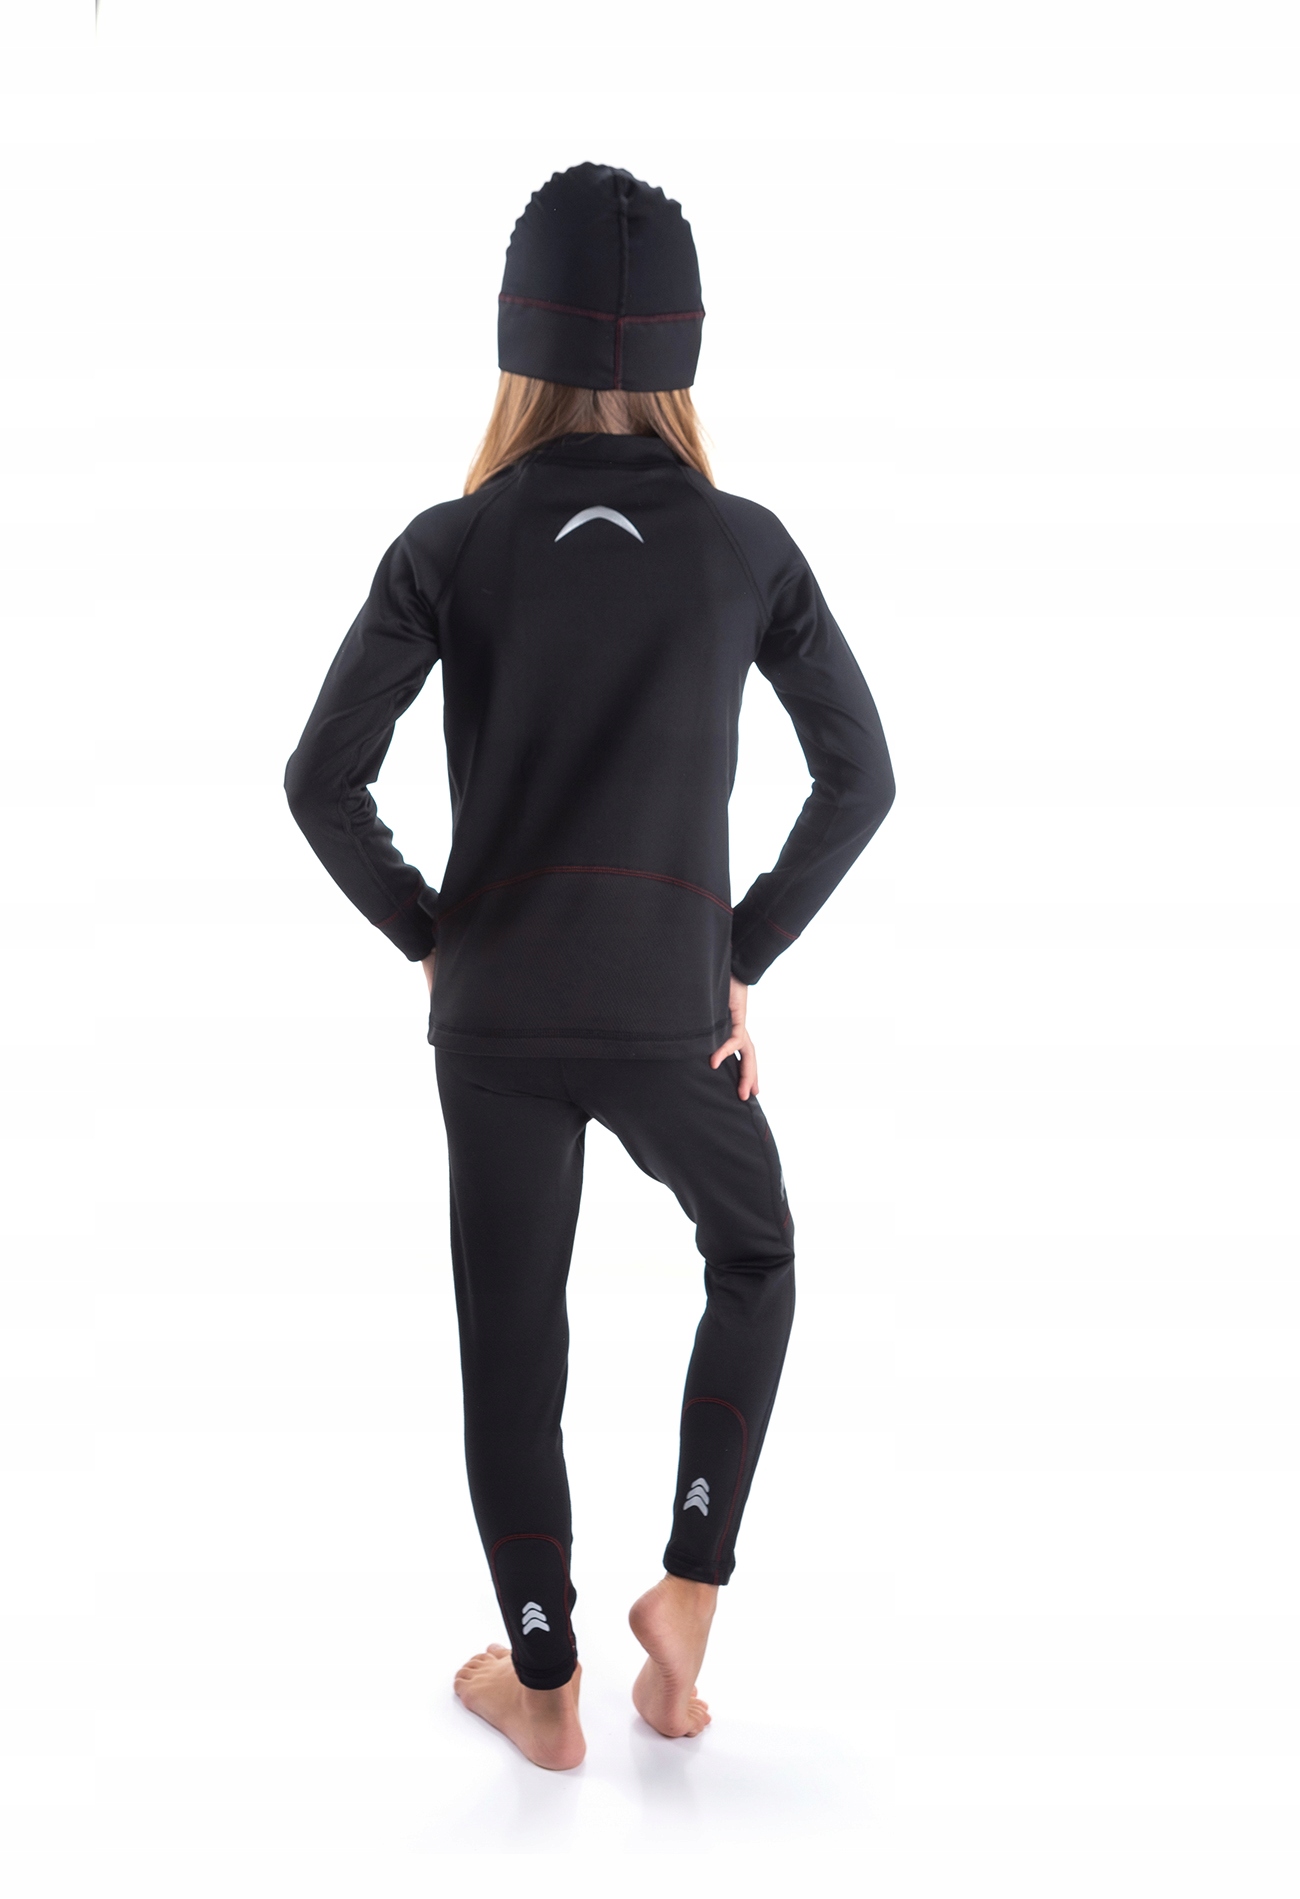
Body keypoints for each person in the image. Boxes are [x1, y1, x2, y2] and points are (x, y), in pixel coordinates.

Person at [284, 163, 895, 1771]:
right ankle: (684, 1601)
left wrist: (434, 934)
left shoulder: (453, 541)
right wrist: (737, 952)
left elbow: (319, 781)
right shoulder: (748, 549)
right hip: (667, 1007)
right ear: (686, 345)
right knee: (755, 1256)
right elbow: (862, 781)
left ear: (518, 340)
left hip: (495, 1010)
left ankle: (544, 1685)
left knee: (512, 1337)